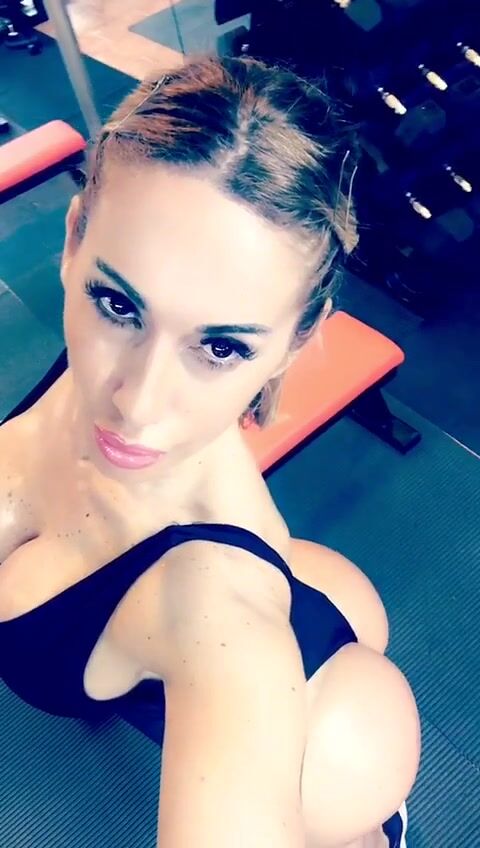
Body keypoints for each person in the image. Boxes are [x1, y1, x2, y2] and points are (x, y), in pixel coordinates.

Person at [0, 55, 420, 848]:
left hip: (340, 749)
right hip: (314, 593)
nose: (136, 403)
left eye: (220, 347)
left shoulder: (216, 612)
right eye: (118, 304)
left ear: (299, 337)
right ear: (74, 238)